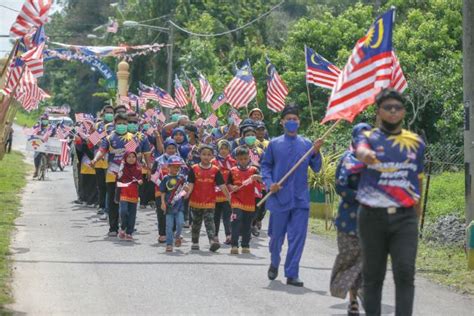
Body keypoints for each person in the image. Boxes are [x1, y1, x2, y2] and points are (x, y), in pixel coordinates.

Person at [355, 88, 425, 316]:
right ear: (379, 111)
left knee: (405, 272)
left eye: (398, 107)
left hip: (405, 217)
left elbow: (418, 177)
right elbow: (360, 150)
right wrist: (365, 155)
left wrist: (417, 210)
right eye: (388, 107)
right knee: (373, 276)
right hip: (372, 216)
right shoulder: (368, 138)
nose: (393, 111)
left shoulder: (415, 142)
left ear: (403, 112)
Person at [261, 105, 323, 287]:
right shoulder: (274, 143)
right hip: (279, 198)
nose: (292, 122)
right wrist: (269, 183)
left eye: (294, 119)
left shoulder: (306, 144)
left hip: (300, 199)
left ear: (299, 122)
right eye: (288, 119)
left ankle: (292, 273)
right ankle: (274, 261)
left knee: (297, 237)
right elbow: (265, 166)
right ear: (282, 122)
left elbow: (317, 168)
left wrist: (317, 151)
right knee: (276, 237)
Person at [330, 123, 372, 315]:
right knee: (349, 260)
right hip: (348, 220)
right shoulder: (346, 161)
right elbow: (340, 187)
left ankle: (360, 295)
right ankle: (353, 299)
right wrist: (359, 195)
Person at [91, 113, 151, 237]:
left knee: (130, 203)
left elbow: (138, 154)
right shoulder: (109, 138)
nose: (122, 126)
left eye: (124, 123)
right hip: (112, 175)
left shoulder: (132, 138)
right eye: (119, 123)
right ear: (114, 124)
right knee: (113, 202)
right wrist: (95, 160)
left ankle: (128, 227)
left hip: (130, 177)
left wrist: (141, 163)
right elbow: (102, 151)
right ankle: (113, 228)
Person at [185, 145, 231, 252]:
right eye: (204, 154)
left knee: (210, 222)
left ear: (212, 156)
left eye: (209, 154)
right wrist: (186, 194)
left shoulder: (215, 170)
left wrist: (228, 197)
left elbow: (222, 185)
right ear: (200, 155)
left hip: (210, 201)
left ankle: (212, 241)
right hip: (195, 201)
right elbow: (190, 184)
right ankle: (195, 242)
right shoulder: (194, 168)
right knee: (196, 223)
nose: (206, 157)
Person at [227, 146, 261, 254]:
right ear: (236, 158)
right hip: (236, 200)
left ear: (249, 158)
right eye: (240, 159)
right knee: (236, 222)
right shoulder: (232, 171)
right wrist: (232, 188)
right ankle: (234, 245)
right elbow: (228, 184)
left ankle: (245, 245)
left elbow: (263, 180)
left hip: (249, 201)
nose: (243, 161)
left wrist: (257, 177)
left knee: (247, 224)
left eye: (245, 159)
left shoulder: (254, 170)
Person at [160, 155, 187, 252]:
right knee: (169, 225)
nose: (176, 168)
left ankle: (178, 236)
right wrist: (162, 203)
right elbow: (162, 192)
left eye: (178, 167)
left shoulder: (182, 178)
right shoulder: (165, 178)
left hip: (179, 206)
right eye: (174, 166)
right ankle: (169, 244)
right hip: (169, 206)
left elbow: (185, 193)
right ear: (169, 167)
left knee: (180, 223)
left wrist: (186, 191)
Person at [211, 140, 236, 245]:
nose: (224, 151)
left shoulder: (233, 162)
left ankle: (229, 235)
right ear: (218, 149)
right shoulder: (213, 162)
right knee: (215, 216)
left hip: (228, 194)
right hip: (215, 193)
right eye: (221, 148)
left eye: (226, 148)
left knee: (228, 216)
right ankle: (215, 236)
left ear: (229, 149)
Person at [117, 151, 143, 241]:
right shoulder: (122, 168)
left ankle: (129, 232)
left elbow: (140, 180)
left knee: (132, 214)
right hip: (124, 192)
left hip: (134, 193)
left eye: (133, 157)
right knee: (123, 211)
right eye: (129, 157)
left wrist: (140, 182)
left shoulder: (138, 169)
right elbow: (118, 179)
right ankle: (123, 227)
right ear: (125, 158)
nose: (131, 159)